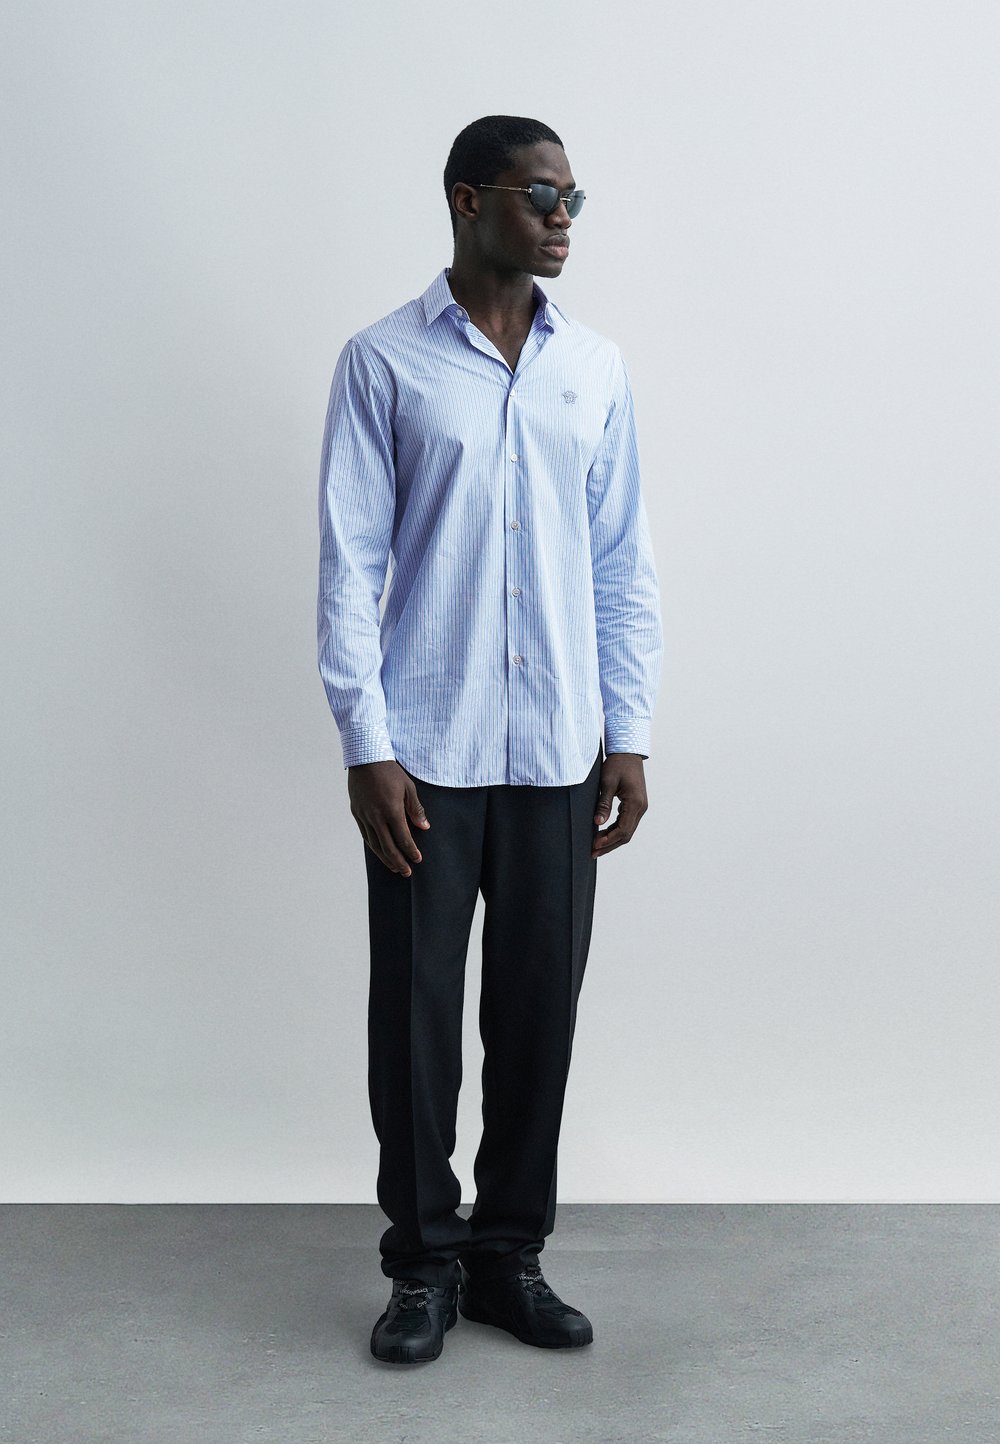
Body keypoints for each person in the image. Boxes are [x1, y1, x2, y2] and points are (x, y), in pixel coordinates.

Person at [317, 115, 663, 1365]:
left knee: (535, 1015)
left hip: (559, 746)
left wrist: (628, 731)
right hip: (426, 746)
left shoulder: (596, 368)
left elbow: (621, 563)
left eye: (573, 197)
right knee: (414, 1018)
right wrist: (366, 742)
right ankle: (421, 1263)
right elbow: (349, 565)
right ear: (468, 201)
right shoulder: (384, 361)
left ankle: (508, 1253)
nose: (563, 217)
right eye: (538, 194)